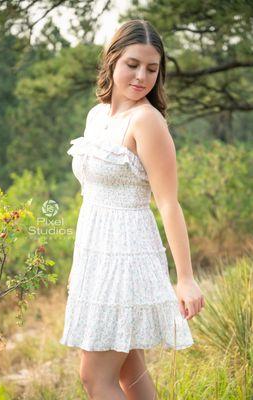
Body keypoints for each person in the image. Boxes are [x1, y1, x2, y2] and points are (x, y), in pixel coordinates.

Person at [60, 19, 205, 400]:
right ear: (112, 61)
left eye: (152, 69)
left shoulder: (147, 120)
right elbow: (92, 198)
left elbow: (169, 203)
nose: (142, 76)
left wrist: (185, 278)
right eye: (133, 64)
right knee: (130, 373)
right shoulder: (97, 116)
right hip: (97, 256)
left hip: (128, 256)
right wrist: (81, 268)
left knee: (94, 378)